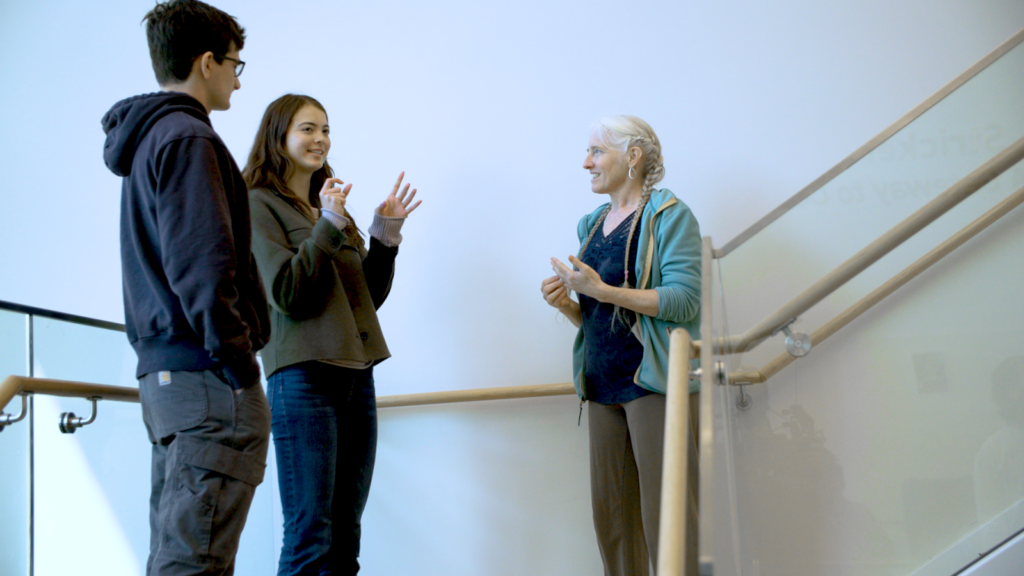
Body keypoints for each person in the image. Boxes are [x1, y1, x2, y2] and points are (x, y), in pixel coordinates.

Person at [101, 1, 270, 574]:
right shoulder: (188, 138)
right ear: (206, 62)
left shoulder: (150, 139)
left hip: (171, 377)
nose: (237, 82)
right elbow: (202, 266)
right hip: (207, 377)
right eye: (235, 66)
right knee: (195, 563)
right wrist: (241, 364)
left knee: (177, 556)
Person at [242, 94, 420, 576]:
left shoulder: (329, 204)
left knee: (346, 538)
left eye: (325, 129)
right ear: (278, 136)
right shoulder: (257, 204)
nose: (320, 139)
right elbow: (287, 292)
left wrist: (385, 238)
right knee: (309, 536)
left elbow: (364, 299)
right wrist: (327, 225)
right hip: (302, 379)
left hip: (355, 378)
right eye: (307, 129)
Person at [541, 116, 701, 575]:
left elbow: (684, 301)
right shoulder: (591, 223)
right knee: (612, 520)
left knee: (667, 519)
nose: (585, 162)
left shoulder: (670, 216)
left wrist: (600, 291)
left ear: (632, 157)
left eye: (596, 152)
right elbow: (600, 314)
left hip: (651, 384)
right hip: (601, 383)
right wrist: (570, 305)